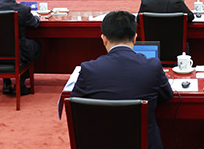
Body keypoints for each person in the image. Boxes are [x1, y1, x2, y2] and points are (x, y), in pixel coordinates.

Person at [71, 10, 173, 149]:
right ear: (135, 38)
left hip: (101, 143)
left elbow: (76, 106)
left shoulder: (89, 69)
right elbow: (167, 96)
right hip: (145, 144)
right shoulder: (152, 66)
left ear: (104, 39)